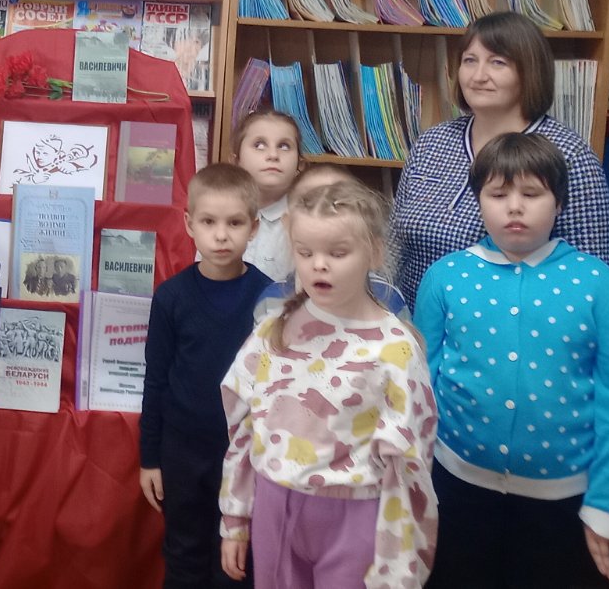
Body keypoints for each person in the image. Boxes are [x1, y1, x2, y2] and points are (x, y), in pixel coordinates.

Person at [414, 133, 609, 588]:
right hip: (457, 490)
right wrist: (415, 480)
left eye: (532, 194)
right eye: (498, 194)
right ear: (478, 200)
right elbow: (420, 387)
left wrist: (606, 505)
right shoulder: (445, 278)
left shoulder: (600, 285)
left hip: (561, 503)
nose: (514, 207)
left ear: (559, 202)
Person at [220, 181, 438, 588]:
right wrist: (235, 516)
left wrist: (399, 565)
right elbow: (244, 426)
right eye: (305, 253)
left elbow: (411, 462)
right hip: (275, 504)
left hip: (356, 515)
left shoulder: (395, 348)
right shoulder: (273, 331)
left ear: (374, 252)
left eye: (337, 253)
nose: (319, 265)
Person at [391, 11, 609, 308]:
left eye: (497, 62)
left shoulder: (568, 154)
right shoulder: (433, 142)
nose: (478, 76)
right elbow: (394, 243)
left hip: (506, 324)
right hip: (415, 319)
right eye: (470, 60)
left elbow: (589, 275)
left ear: (529, 71)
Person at [140, 164, 274, 589]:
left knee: (237, 561)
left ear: (254, 227)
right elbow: (156, 380)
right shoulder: (171, 297)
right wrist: (149, 458)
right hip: (182, 451)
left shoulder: (271, 299)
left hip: (246, 453)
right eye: (209, 222)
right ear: (189, 224)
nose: (221, 235)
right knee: (184, 554)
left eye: (234, 223)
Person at [252, 163, 408, 322]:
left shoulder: (390, 301)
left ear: (374, 251)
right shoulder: (270, 301)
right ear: (288, 224)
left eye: (338, 199)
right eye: (309, 201)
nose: (322, 211)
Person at [230, 109, 302, 283]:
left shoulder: (306, 222)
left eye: (284, 146)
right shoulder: (219, 215)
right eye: (260, 145)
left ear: (300, 165)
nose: (273, 155)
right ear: (236, 161)